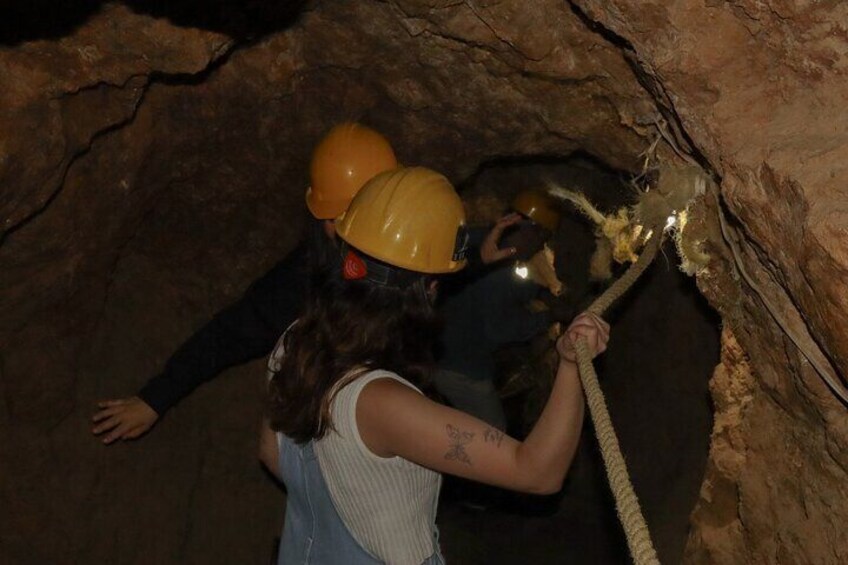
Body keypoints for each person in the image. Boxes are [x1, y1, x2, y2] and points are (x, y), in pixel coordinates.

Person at [260, 166, 610, 564]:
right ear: (426, 290)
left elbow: (273, 454)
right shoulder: (384, 405)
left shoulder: (293, 342)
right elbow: (538, 472)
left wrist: (348, 493)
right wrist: (570, 366)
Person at [91, 123, 520, 445]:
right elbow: (228, 334)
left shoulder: (393, 243)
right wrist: (155, 398)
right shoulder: (302, 282)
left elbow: (425, 265)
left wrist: (478, 258)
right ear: (328, 222)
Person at [435, 189, 570, 431]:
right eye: (542, 238)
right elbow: (502, 328)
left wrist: (537, 293)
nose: (540, 247)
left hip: (432, 348)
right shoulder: (500, 276)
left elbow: (502, 283)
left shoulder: (476, 239)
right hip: (459, 367)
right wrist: (548, 316)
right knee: (494, 432)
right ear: (532, 231)